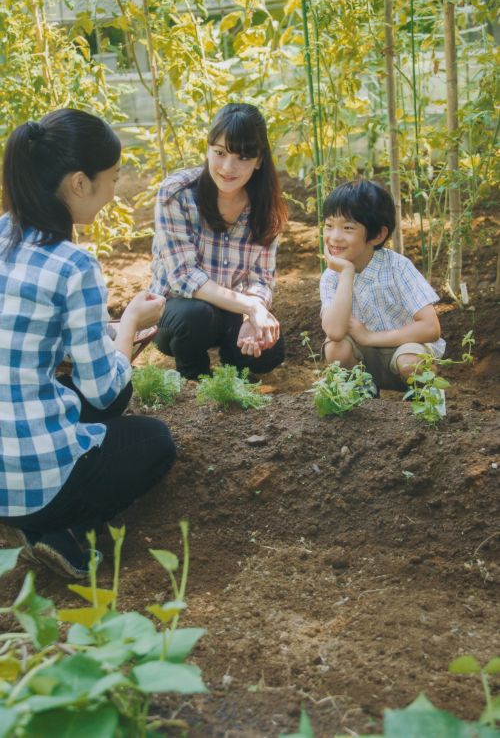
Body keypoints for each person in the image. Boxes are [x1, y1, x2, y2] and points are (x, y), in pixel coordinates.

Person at [0, 109, 176, 579]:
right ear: (79, 183)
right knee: (153, 440)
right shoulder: (73, 265)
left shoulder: (2, 235)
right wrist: (130, 325)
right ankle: (62, 529)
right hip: (35, 482)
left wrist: (105, 333)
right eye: (112, 179)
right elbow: (105, 394)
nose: (114, 191)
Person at [151, 103, 287, 380]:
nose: (228, 167)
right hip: (175, 311)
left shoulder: (266, 208)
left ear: (259, 160)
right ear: (208, 148)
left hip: (229, 312)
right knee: (197, 316)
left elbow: (261, 279)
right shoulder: (177, 194)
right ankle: (193, 380)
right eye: (220, 153)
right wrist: (251, 308)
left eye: (243, 157)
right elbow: (184, 278)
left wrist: (252, 316)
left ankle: (234, 375)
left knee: (271, 348)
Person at [320, 179, 446, 395]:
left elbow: (430, 328)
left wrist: (369, 337)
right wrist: (346, 274)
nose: (335, 237)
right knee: (335, 349)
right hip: (363, 359)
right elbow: (334, 331)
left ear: (378, 235)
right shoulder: (332, 275)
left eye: (348, 227)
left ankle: (424, 395)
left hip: (404, 351)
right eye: (329, 226)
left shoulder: (397, 266)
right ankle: (363, 389)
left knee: (410, 363)